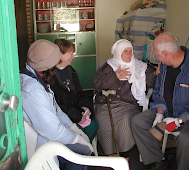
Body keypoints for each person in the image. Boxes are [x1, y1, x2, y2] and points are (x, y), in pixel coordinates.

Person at [131, 32, 189, 170]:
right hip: (168, 113)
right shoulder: (164, 67)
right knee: (138, 122)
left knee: (185, 138)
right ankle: (158, 161)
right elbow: (158, 93)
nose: (155, 57)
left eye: (156, 53)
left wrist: (180, 120)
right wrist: (160, 113)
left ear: (166, 54)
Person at [20, 39, 93, 170]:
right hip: (42, 143)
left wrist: (73, 128)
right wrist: (78, 139)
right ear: (47, 66)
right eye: (55, 65)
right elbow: (54, 131)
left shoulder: (38, 78)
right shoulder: (33, 90)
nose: (56, 68)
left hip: (48, 136)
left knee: (83, 148)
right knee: (83, 151)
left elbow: (57, 110)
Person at [93, 39, 159, 160]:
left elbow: (149, 81)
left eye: (130, 50)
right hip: (107, 103)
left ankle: (124, 155)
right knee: (103, 118)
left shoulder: (140, 66)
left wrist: (155, 75)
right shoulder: (109, 66)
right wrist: (115, 76)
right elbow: (97, 84)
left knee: (125, 120)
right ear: (118, 53)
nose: (129, 54)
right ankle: (111, 155)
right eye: (125, 51)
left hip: (129, 105)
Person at [50, 39, 98, 142]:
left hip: (75, 114)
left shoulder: (71, 71)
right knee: (89, 128)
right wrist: (76, 116)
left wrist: (84, 106)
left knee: (94, 125)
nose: (73, 57)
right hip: (62, 120)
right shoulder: (50, 77)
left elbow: (80, 93)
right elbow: (55, 106)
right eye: (70, 54)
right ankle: (79, 151)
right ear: (60, 55)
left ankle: (81, 150)